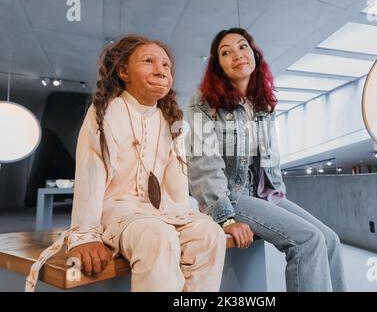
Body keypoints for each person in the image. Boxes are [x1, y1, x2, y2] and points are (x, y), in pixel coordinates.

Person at [25, 35, 226, 292]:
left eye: (166, 65)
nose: (161, 70)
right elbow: (91, 172)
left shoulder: (170, 119)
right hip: (115, 209)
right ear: (123, 72)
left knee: (210, 233)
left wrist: (184, 216)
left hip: (160, 210)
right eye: (148, 61)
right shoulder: (105, 111)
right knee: (157, 236)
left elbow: (176, 181)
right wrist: (85, 235)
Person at [186, 27, 347, 292]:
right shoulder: (204, 102)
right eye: (226, 53)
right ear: (218, 66)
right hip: (231, 194)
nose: (237, 55)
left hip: (264, 193)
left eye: (242, 47)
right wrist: (224, 217)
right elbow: (203, 162)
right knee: (308, 241)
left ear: (254, 55)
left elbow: (271, 156)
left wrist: (277, 193)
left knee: (329, 239)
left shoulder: (262, 103)